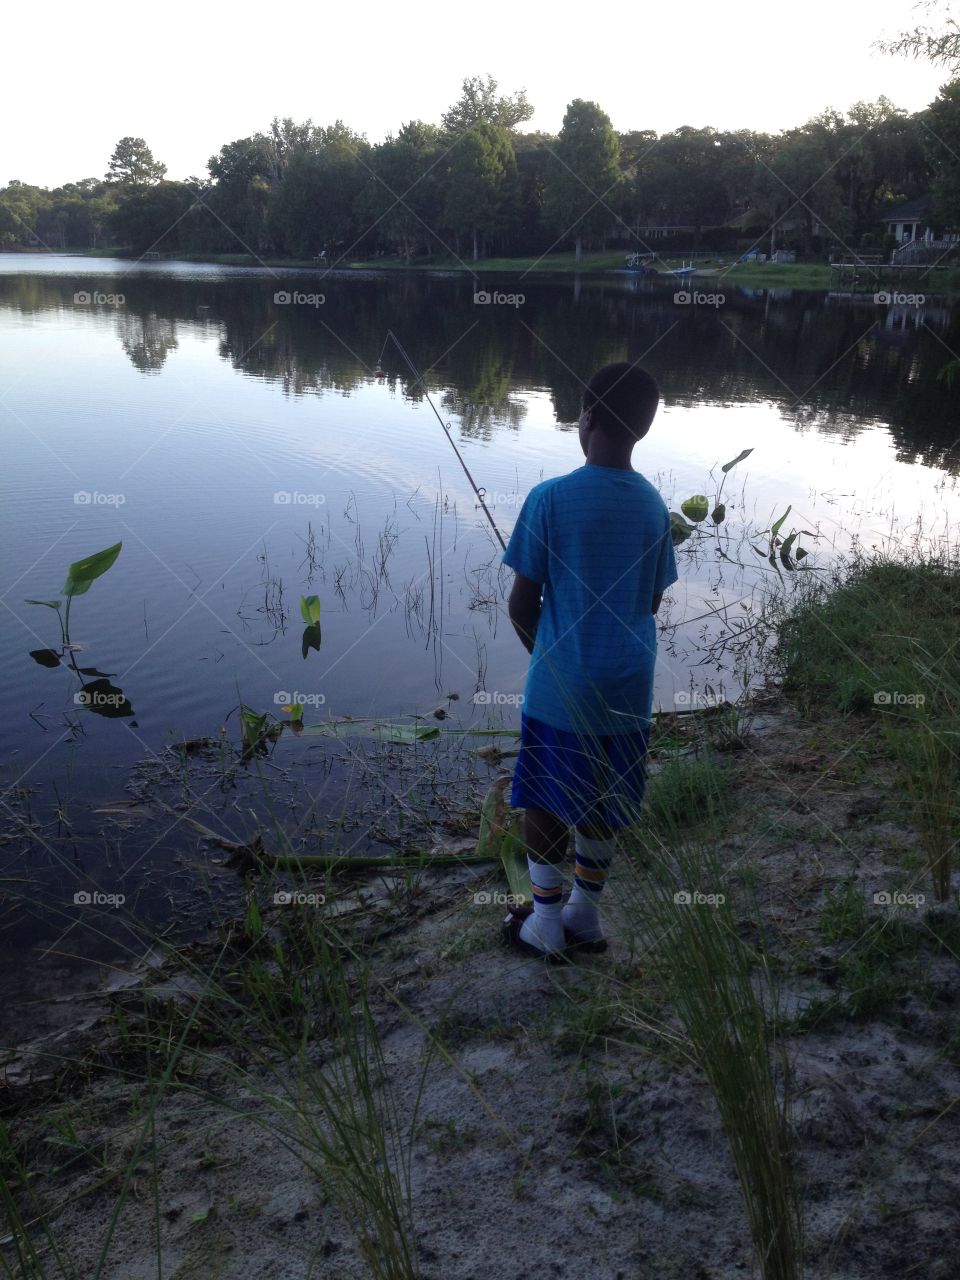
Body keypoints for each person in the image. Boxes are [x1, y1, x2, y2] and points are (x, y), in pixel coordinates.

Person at [500, 362, 678, 961]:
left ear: (589, 418)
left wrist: (547, 660)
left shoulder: (549, 498)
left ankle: (546, 922)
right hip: (628, 688)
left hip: (563, 685)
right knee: (605, 799)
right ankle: (586, 913)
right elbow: (649, 602)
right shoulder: (653, 507)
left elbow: (521, 605)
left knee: (545, 798)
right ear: (641, 430)